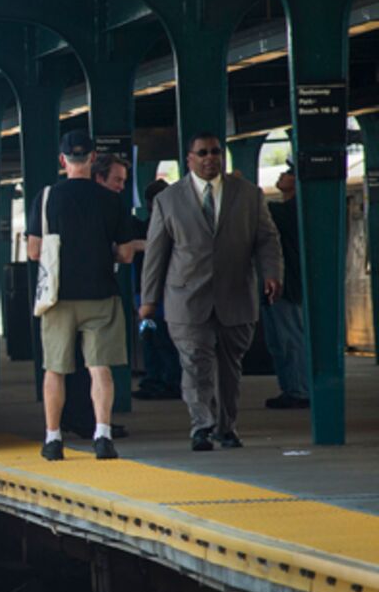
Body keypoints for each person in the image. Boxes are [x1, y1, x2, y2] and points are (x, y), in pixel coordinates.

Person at [140, 132, 282, 451]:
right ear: (189, 159)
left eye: (216, 152)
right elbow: (156, 254)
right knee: (196, 363)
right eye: (202, 152)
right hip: (186, 298)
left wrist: (272, 274)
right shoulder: (169, 200)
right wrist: (149, 300)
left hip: (236, 295)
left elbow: (267, 239)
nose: (210, 158)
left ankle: (226, 427)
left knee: (229, 368)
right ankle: (202, 425)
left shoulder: (248, 195)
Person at [27, 131, 138, 461]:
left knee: (55, 370)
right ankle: (102, 436)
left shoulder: (46, 198)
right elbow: (128, 254)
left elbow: (34, 251)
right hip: (101, 295)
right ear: (92, 159)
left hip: (58, 297)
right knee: (99, 368)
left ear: (63, 161)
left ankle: (53, 439)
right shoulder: (111, 200)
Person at [261, 164, 310, 409]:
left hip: (286, 284)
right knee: (278, 340)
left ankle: (299, 389)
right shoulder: (286, 209)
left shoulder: (292, 209)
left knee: (289, 338)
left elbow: (265, 211)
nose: (282, 175)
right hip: (278, 285)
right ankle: (291, 386)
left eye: (289, 173)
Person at [132, 179, 182, 400]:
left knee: (156, 337)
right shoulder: (174, 225)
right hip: (160, 293)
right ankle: (162, 379)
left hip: (152, 293)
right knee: (158, 337)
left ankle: (163, 379)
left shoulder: (148, 227)